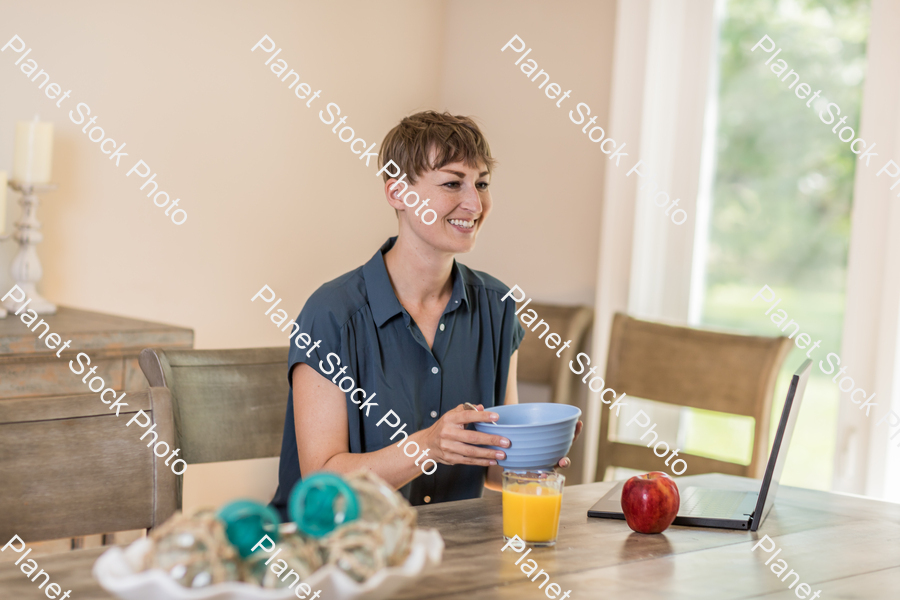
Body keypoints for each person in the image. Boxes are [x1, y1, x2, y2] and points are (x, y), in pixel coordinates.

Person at [271, 111, 582, 519]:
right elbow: (321, 485)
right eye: (453, 183)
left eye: (482, 183)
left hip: (447, 550)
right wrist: (427, 446)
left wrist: (533, 451)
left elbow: (491, 465)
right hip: (334, 551)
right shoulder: (332, 314)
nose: (475, 203)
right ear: (397, 192)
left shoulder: (497, 306)